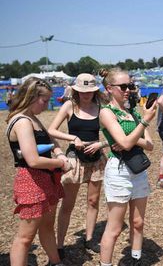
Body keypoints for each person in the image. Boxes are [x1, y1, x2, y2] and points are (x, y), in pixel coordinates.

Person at [6, 77, 72, 266]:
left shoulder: (33, 118)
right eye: (44, 101)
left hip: (46, 179)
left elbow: (51, 140)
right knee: (25, 238)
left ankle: (55, 262)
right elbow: (33, 160)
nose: (47, 105)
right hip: (31, 182)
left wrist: (59, 152)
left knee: (47, 227)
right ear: (31, 97)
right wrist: (59, 163)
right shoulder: (22, 122)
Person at [98, 68, 156, 266]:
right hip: (119, 170)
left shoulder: (132, 112)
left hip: (138, 169)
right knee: (114, 228)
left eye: (130, 86)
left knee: (138, 222)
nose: (128, 90)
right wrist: (145, 123)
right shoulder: (106, 112)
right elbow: (123, 144)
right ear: (109, 88)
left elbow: (150, 145)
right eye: (123, 86)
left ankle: (135, 260)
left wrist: (133, 139)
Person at [48, 73, 108, 258]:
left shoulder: (101, 108)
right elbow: (51, 130)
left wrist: (101, 144)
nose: (86, 94)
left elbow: (114, 133)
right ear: (76, 90)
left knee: (93, 201)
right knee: (68, 204)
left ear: (95, 91)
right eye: (83, 90)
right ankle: (59, 244)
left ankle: (89, 239)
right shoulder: (69, 106)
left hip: (96, 159)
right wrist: (73, 138)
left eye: (90, 90)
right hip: (74, 160)